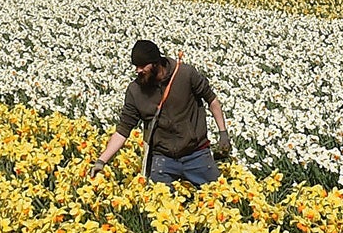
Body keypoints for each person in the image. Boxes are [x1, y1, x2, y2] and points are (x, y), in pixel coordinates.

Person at [87, 39, 233, 185]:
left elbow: (212, 100)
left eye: (143, 66)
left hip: (196, 154)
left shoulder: (185, 74)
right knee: (160, 204)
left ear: (156, 63)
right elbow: (123, 129)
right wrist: (101, 161)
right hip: (163, 160)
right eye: (136, 66)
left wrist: (223, 134)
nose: (138, 70)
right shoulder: (135, 90)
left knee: (217, 196)